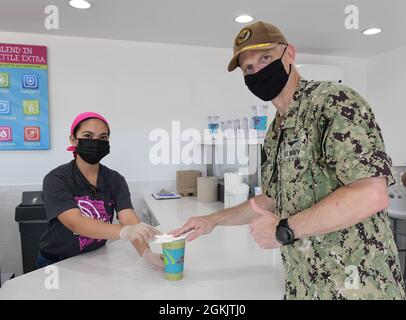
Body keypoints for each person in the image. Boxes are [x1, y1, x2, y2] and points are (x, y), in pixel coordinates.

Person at [171, 21, 406, 299]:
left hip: (358, 287)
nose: (257, 71)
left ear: (290, 54)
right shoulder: (275, 132)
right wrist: (212, 220)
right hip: (304, 286)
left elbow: (371, 194)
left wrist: (285, 229)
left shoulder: (333, 102)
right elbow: (269, 201)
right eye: (248, 68)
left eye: (265, 58)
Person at [37, 112, 163, 269]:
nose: (96, 142)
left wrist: (146, 253)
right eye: (88, 136)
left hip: (95, 258)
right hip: (56, 262)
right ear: (73, 140)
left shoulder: (115, 180)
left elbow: (128, 218)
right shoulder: (57, 179)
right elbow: (75, 223)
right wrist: (124, 231)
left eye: (103, 137)